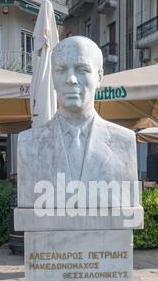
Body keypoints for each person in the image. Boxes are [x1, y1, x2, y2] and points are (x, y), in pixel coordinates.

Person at [18, 36, 138, 208]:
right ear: (52, 77)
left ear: (99, 77)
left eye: (82, 69)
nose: (71, 79)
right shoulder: (28, 144)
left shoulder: (124, 142)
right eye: (61, 69)